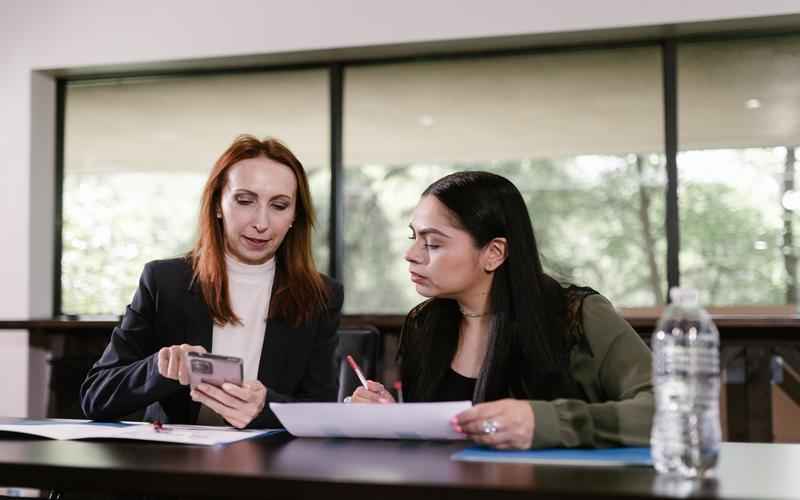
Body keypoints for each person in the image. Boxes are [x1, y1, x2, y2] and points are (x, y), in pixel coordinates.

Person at [351, 171, 653, 449]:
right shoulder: (422, 323)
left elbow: (669, 410)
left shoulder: (579, 315)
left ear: (494, 253)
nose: (410, 254)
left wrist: (548, 422)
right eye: (413, 237)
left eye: (432, 243)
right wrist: (394, 418)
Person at [80, 135, 343, 429]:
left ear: (295, 216)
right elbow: (96, 397)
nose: (261, 222)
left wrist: (263, 408)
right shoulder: (164, 281)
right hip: (177, 464)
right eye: (245, 201)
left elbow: (322, 412)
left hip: (269, 465)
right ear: (218, 204)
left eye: (279, 206)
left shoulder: (321, 295)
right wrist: (159, 368)